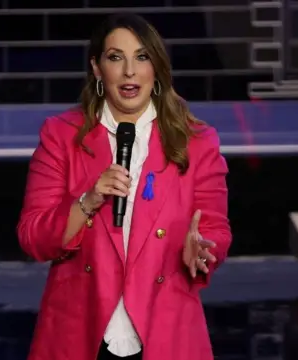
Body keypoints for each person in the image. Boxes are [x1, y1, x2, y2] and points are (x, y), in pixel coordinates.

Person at [17, 13, 232, 360]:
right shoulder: (61, 136)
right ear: (98, 69)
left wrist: (204, 250)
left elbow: (215, 230)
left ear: (157, 68)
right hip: (79, 333)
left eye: (142, 57)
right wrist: (87, 201)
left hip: (165, 333)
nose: (129, 71)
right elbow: (32, 238)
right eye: (116, 57)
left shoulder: (197, 142)